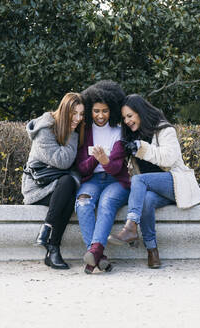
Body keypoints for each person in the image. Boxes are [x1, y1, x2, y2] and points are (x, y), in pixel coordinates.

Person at [108, 94, 200, 268]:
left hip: (176, 185)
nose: (127, 121)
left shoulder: (164, 130)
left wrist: (141, 148)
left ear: (140, 112)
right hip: (156, 192)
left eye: (130, 116)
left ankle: (130, 227)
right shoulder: (133, 138)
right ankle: (152, 252)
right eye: (124, 118)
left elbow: (168, 158)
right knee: (147, 200)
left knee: (140, 180)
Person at [21, 92, 85, 269]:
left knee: (70, 192)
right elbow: (63, 161)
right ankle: (52, 243)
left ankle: (51, 244)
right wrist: (72, 134)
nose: (78, 118)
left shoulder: (72, 127)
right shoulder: (45, 130)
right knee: (68, 182)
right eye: (74, 113)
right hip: (38, 188)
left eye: (81, 114)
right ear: (65, 111)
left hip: (58, 187)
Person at [75, 80, 130, 274]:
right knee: (83, 203)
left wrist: (104, 160)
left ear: (112, 110)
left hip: (117, 182)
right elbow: (82, 168)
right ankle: (99, 257)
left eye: (105, 111)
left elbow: (116, 168)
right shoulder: (85, 131)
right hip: (92, 181)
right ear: (90, 110)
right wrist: (95, 160)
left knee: (107, 202)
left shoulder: (119, 131)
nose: (100, 115)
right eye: (96, 111)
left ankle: (94, 252)